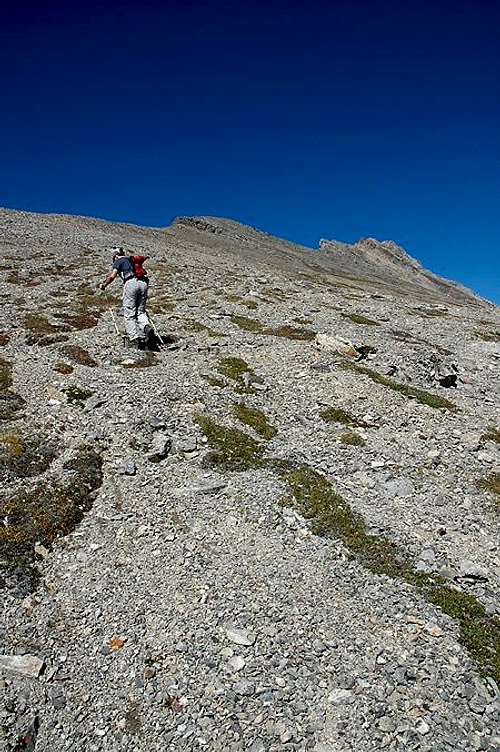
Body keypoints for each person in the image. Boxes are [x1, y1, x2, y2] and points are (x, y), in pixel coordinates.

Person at [99, 247, 152, 348]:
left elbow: (112, 276)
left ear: (115, 256)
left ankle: (134, 339)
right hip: (143, 282)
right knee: (141, 311)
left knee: (129, 313)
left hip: (131, 283)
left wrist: (104, 285)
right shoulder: (131, 260)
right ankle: (146, 327)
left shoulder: (118, 261)